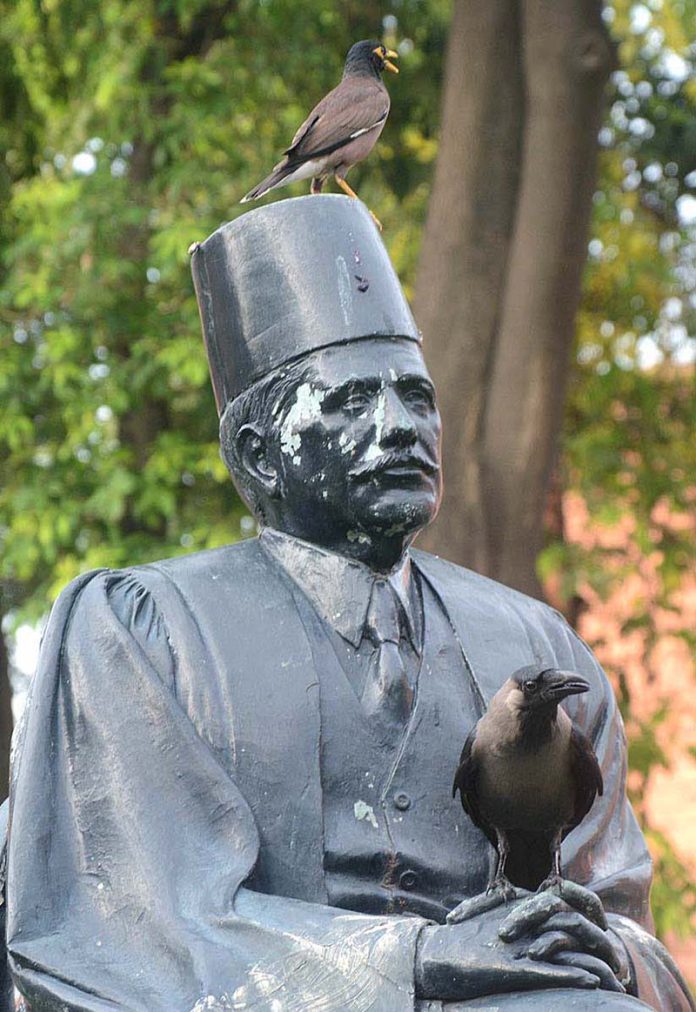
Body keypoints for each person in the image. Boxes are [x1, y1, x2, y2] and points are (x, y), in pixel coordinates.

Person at [6, 196, 693, 1011]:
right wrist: (416, 961)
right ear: (259, 455)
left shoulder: (535, 644)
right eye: (353, 402)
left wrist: (595, 946)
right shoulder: (144, 635)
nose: (403, 428)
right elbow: (119, 928)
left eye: (418, 398)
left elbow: (624, 922)